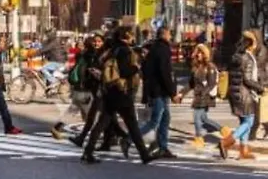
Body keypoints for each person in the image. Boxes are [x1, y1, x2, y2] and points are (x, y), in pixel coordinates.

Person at [80, 27, 155, 165]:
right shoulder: (125, 51)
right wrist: (137, 67)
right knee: (132, 125)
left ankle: (88, 151)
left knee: (101, 123)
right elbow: (125, 71)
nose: (133, 37)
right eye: (131, 35)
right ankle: (144, 155)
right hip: (122, 92)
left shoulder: (112, 50)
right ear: (126, 36)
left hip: (110, 91)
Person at [220, 30, 263, 160]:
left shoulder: (236, 56)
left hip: (234, 92)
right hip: (244, 94)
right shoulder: (248, 58)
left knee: (244, 120)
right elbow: (248, 80)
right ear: (251, 43)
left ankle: (243, 150)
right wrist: (261, 88)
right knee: (249, 122)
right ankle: (226, 142)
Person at [139, 26, 179, 158]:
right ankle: (129, 138)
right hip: (159, 91)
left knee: (165, 119)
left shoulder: (154, 48)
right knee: (155, 121)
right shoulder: (163, 49)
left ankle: (163, 147)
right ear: (165, 34)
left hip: (158, 90)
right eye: (169, 34)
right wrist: (173, 92)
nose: (170, 37)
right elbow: (165, 73)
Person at [53, 33, 100, 139]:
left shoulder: (80, 55)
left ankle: (57, 128)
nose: (97, 44)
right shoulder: (92, 56)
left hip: (77, 88)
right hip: (85, 90)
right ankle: (95, 135)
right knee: (93, 116)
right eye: (95, 42)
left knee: (73, 111)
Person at [188, 43, 226, 150]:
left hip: (205, 96)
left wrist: (203, 93)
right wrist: (181, 93)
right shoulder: (196, 67)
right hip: (198, 96)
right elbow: (191, 84)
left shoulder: (210, 66)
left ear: (205, 54)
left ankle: (199, 140)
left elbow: (212, 83)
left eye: (201, 52)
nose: (198, 54)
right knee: (204, 119)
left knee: (197, 117)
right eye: (197, 52)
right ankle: (225, 131)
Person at [0, 34, 22, 135]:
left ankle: (8, 127)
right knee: (2, 108)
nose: (5, 43)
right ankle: (8, 128)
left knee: (2, 107)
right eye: (3, 42)